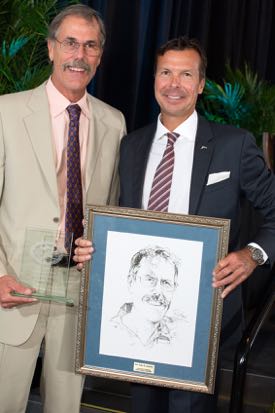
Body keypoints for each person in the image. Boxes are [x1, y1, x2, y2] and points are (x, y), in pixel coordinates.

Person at [74, 36, 275, 413]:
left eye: (186, 74)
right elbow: (119, 221)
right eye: (166, 72)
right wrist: (95, 246)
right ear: (154, 79)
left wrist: (253, 255)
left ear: (200, 84)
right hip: (139, 316)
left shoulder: (234, 144)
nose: (174, 84)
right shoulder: (131, 146)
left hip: (206, 309)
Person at [0, 4, 126, 413]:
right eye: (70, 42)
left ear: (100, 56)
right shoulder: (6, 112)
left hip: (77, 291)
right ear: (51, 49)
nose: (80, 54)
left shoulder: (113, 122)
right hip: (13, 289)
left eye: (90, 46)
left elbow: (114, 207)